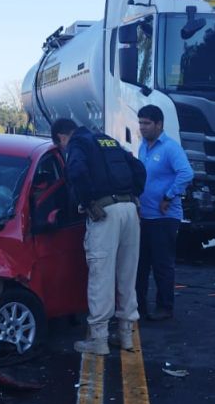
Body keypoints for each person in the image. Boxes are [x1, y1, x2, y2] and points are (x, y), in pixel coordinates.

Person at [51, 117, 146, 355]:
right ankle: (125, 336)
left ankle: (99, 339)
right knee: (127, 275)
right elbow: (138, 168)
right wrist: (134, 194)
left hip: (104, 214)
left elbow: (77, 172)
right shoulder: (107, 140)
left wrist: (86, 202)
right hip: (129, 211)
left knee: (101, 277)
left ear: (62, 137)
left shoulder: (77, 144)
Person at [135, 105, 193, 321]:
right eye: (140, 123)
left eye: (147, 123)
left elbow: (186, 173)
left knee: (162, 264)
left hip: (164, 218)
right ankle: (139, 307)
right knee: (140, 265)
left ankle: (165, 307)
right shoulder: (143, 146)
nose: (142, 127)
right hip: (144, 217)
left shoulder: (170, 148)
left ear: (159, 124)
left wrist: (169, 196)